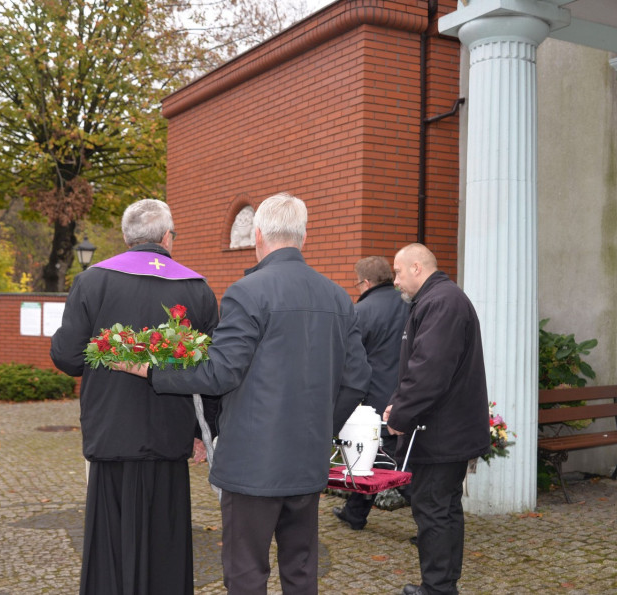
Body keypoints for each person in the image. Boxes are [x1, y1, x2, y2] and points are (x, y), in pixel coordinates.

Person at [117, 193, 370, 594]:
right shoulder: (338, 297)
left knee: (247, 573)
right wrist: (321, 428)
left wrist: (153, 371)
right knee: (302, 570)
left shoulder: (247, 292)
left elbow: (220, 372)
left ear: (257, 235)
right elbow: (358, 379)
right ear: (302, 237)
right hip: (307, 460)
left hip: (253, 465)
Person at [50, 199, 219, 595]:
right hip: (171, 434)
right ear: (166, 236)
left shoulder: (92, 281)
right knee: (167, 538)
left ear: (127, 239)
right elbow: (215, 371)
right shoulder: (197, 287)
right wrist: (202, 431)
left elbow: (68, 356)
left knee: (110, 540)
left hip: (112, 431)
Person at [382, 243, 490, 595]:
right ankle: (443, 584)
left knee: (433, 511)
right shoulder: (441, 299)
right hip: (446, 428)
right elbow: (425, 367)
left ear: (416, 267)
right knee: (443, 508)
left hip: (441, 432)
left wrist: (401, 414)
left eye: (397, 272)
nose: (394, 280)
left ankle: (438, 588)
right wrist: (398, 405)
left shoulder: (441, 302)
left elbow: (429, 370)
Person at [333, 256, 410, 531]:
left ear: (365, 282)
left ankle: (432, 522)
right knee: (374, 456)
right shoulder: (409, 303)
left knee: (388, 460)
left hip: (375, 396)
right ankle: (355, 512)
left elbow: (349, 358)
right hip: (408, 391)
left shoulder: (362, 310)